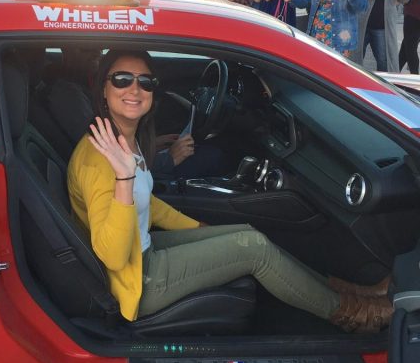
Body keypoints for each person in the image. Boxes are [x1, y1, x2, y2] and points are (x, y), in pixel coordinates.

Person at [67, 49, 392, 331]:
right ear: (103, 89)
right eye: (121, 79)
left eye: (145, 81)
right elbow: (110, 254)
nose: (134, 89)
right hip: (136, 283)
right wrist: (124, 179)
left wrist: (201, 230)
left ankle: (347, 293)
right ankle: (351, 314)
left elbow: (148, 203)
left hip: (143, 252)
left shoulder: (124, 138)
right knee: (252, 247)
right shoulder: (99, 159)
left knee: (245, 231)